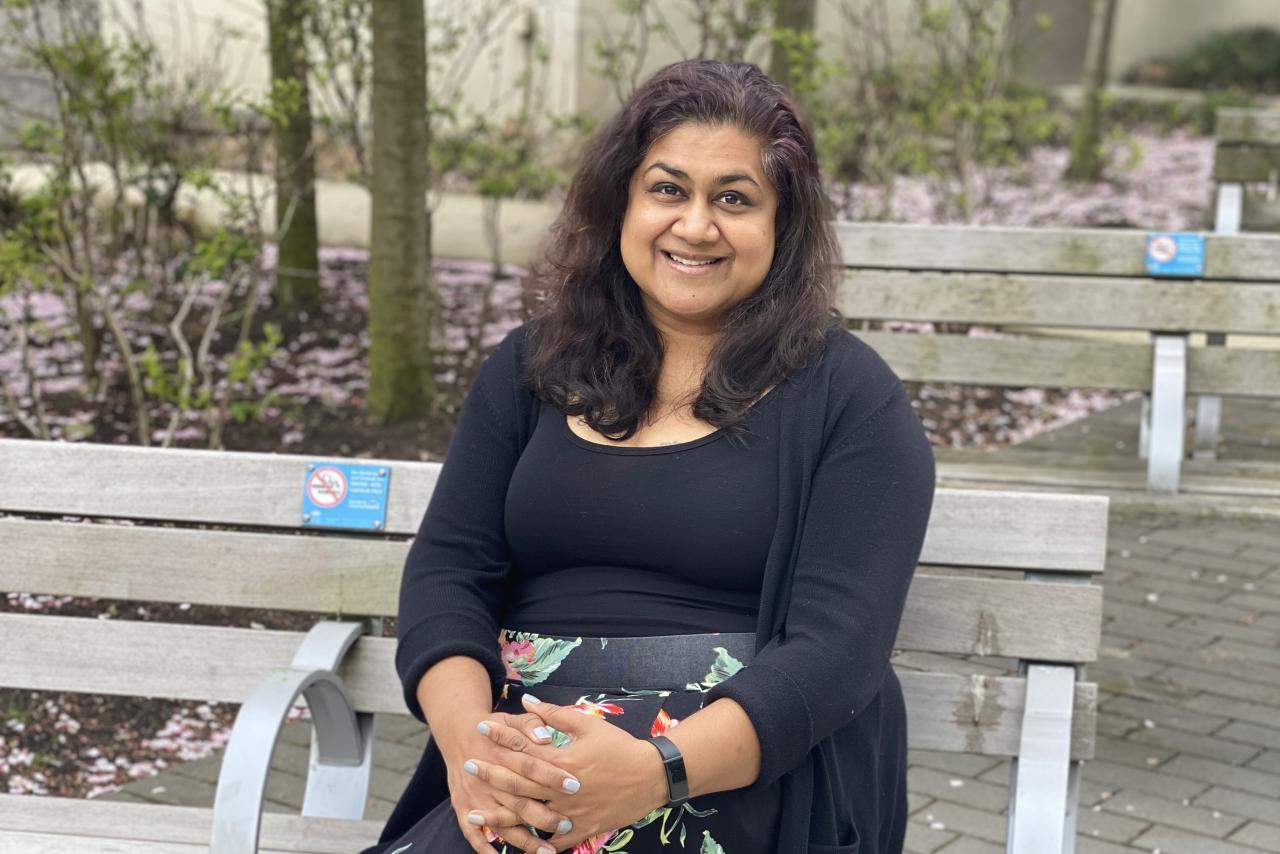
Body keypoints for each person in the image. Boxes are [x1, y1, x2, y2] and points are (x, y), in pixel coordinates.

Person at [365, 59, 935, 854]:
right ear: (621, 204)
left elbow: (839, 649)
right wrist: (473, 754)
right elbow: (447, 574)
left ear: (782, 226)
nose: (695, 225)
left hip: (736, 771)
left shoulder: (850, 398)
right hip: (525, 765)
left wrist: (652, 771)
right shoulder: (529, 369)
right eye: (668, 189)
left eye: (733, 199)